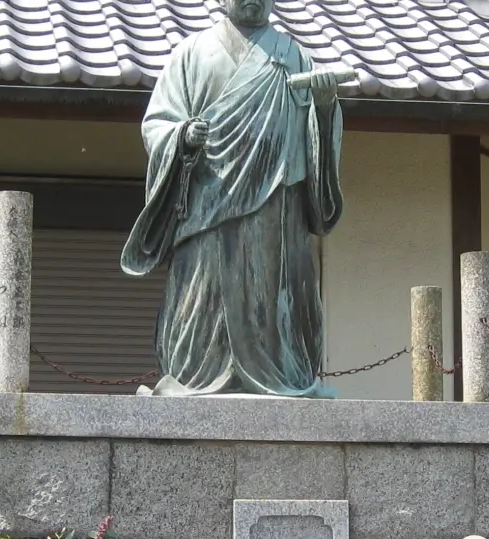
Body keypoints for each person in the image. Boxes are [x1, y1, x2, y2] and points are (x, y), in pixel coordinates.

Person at [120, 0, 345, 397]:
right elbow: (157, 124)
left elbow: (315, 140)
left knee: (272, 299)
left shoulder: (293, 56)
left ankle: (281, 373)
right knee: (202, 298)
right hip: (208, 206)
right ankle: (195, 375)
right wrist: (182, 138)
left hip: (275, 209)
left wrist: (324, 110)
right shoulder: (191, 55)